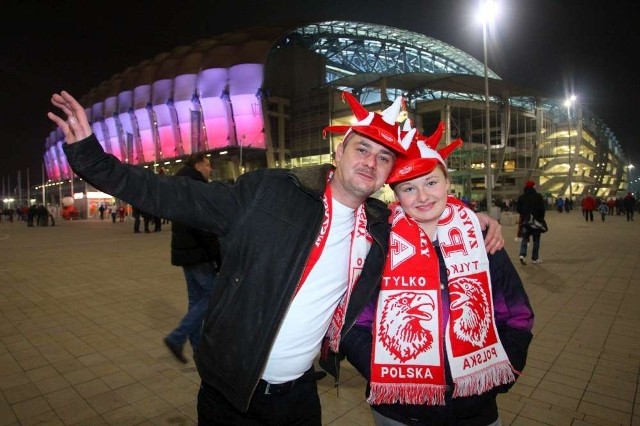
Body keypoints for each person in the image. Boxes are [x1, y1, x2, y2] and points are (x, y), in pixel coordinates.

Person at [48, 90, 503, 425]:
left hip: (300, 397)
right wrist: (92, 160)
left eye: (384, 158)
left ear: (387, 173)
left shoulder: (384, 225)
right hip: (230, 393)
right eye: (362, 148)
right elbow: (174, 196)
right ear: (339, 150)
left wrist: (476, 219)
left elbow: (431, 213)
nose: (370, 162)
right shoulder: (268, 192)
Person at [323, 123, 534, 426]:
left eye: (431, 183)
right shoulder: (380, 247)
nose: (422, 197)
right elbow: (355, 323)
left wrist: (499, 374)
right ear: (396, 195)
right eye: (409, 188)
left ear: (448, 183)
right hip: (399, 410)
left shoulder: (481, 240)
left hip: (474, 407)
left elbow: (517, 314)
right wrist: (387, 374)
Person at [163, 153, 222, 364]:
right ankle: (177, 337)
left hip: (186, 251)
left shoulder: (180, 184)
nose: (210, 169)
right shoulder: (196, 187)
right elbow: (203, 226)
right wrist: (217, 256)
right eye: (207, 165)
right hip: (199, 252)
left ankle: (198, 349)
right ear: (197, 165)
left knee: (196, 300)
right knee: (213, 296)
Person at [517, 181, 546, 265]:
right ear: (533, 187)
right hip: (536, 222)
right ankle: (534, 258)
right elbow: (542, 209)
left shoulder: (521, 197)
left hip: (526, 221)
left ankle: (522, 255)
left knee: (525, 238)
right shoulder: (538, 196)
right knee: (536, 240)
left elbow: (518, 209)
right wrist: (540, 219)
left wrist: (524, 214)